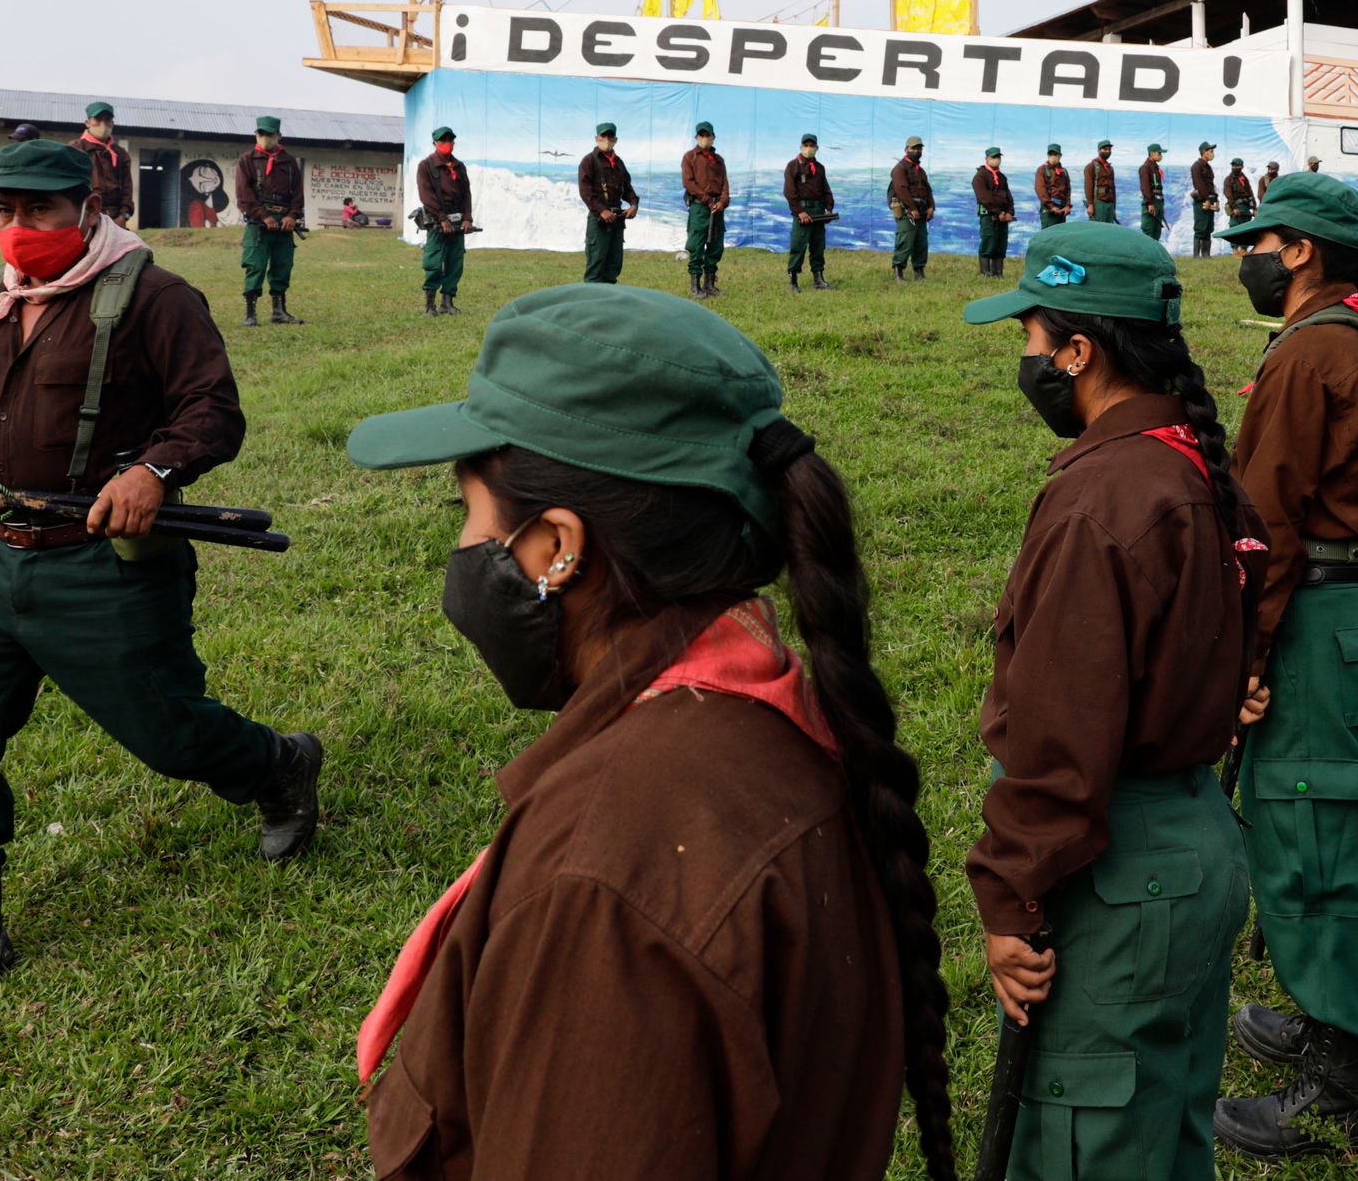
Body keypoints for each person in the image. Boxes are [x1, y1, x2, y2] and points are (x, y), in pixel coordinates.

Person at [345, 286, 955, 1181]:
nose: (464, 549)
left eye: (468, 516)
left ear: (558, 547)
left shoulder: (604, 877)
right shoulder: (761, 704)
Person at [0, 140, 323, 990]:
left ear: (88, 209)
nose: (20, 231)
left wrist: (151, 470)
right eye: (6, 212)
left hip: (99, 566)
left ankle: (278, 765)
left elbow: (212, 412)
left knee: (169, 734)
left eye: (40, 213)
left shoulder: (155, 297)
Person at [960, 225, 1258, 1181]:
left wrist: (1008, 898)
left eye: (1030, 338)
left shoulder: (1104, 499)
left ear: (1078, 352)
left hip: (1121, 866)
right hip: (1194, 837)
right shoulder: (1187, 457)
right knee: (1164, 1128)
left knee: (1087, 1147)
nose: (1027, 359)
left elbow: (1059, 735)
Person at [1211, 174, 1358, 1161]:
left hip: (1312, 629)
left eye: (1255, 241)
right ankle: (1331, 1016)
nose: (1242, 255)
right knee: (1357, 834)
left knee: (1315, 842)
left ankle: (1337, 1086)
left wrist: (1240, 655)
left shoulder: (1308, 354)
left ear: (1297, 252)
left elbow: (1266, 528)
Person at [235, 116, 307, 327]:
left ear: (279, 136)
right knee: (255, 265)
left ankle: (279, 311)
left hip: (284, 222)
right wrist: (263, 216)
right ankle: (250, 313)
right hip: (259, 223)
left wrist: (292, 216)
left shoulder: (290, 162)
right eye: (261, 133)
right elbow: (243, 194)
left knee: (283, 266)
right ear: (256, 134)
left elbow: (298, 194)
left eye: (270, 134)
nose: (265, 138)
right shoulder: (247, 160)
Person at [416, 125, 473, 316]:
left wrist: (467, 218)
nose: (447, 144)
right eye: (443, 141)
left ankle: (447, 303)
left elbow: (466, 194)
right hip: (437, 222)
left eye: (450, 140)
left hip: (457, 222)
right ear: (435, 143)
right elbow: (426, 196)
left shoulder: (459, 166)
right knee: (433, 262)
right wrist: (442, 218)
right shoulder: (426, 166)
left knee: (455, 262)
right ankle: (430, 306)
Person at [577, 122, 638, 285]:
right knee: (595, 268)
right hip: (599, 220)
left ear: (615, 139)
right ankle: (591, 306)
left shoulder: (619, 163)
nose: (607, 139)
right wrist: (602, 211)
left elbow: (627, 188)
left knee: (613, 266)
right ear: (597, 138)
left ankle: (609, 307)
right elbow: (585, 191)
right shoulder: (588, 161)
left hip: (617, 219)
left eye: (610, 136)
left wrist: (633, 204)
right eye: (603, 136)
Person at [681, 120, 729, 300]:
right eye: (701, 135)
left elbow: (725, 183)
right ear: (696, 137)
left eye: (707, 135)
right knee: (696, 244)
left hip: (717, 208)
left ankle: (710, 283)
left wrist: (723, 201)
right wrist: (707, 200)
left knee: (716, 245)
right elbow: (688, 182)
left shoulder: (719, 160)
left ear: (713, 137)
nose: (704, 138)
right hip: (700, 207)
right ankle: (695, 285)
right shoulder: (689, 157)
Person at [784, 133, 836, 293]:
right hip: (803, 211)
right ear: (801, 147)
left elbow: (826, 190)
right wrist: (799, 212)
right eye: (806, 145)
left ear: (817, 148)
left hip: (818, 211)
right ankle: (793, 280)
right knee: (798, 245)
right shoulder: (793, 166)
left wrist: (829, 208)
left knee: (818, 245)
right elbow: (789, 192)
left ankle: (818, 278)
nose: (809, 148)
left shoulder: (819, 168)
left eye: (812, 146)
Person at [70, 101, 133, 225]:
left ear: (112, 123)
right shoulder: (75, 149)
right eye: (97, 119)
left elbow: (127, 191)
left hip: (116, 218)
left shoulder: (121, 154)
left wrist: (123, 217)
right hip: (86, 216)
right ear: (87, 123)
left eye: (107, 120)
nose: (103, 124)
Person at [889, 136, 934, 283]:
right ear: (906, 149)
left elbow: (928, 191)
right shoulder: (899, 169)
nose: (916, 151)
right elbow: (902, 190)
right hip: (907, 212)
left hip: (921, 212)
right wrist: (912, 208)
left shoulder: (920, 171)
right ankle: (898, 273)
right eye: (913, 148)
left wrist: (931, 207)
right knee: (905, 241)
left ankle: (919, 272)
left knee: (921, 243)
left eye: (919, 149)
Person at [973, 147, 1014, 277]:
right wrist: (998, 212)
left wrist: (1009, 212)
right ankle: (985, 272)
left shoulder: (1002, 177)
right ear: (987, 158)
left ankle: (998, 273)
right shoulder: (980, 176)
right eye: (993, 157)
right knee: (988, 242)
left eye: (998, 157)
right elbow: (984, 198)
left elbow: (1008, 196)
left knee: (1000, 243)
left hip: (1003, 216)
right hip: (989, 215)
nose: (996, 160)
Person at [1190, 141, 1220, 257]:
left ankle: (1206, 254)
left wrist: (1215, 199)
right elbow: (1199, 184)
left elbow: (1210, 185)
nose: (1213, 153)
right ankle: (1196, 255)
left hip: (1210, 199)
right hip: (1202, 201)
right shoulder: (1196, 166)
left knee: (1208, 228)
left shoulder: (1208, 167)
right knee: (1200, 228)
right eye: (1211, 151)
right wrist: (1207, 199)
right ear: (1204, 152)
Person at [1138, 143, 1167, 243]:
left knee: (1156, 230)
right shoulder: (1145, 168)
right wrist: (1149, 203)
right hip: (1151, 202)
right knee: (1148, 230)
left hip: (1158, 201)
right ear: (1152, 153)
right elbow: (1145, 187)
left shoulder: (1155, 168)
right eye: (1159, 153)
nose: (1161, 155)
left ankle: (1155, 257)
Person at [1083, 140, 1118, 224]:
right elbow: (1088, 186)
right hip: (1098, 203)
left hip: (1109, 203)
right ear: (1099, 150)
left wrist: (1114, 208)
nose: (1108, 151)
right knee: (1098, 228)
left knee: (1109, 229)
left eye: (1109, 149)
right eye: (1105, 149)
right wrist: (1090, 204)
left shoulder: (1110, 168)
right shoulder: (1091, 167)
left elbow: (1113, 188)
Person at [1224, 156, 1256, 229]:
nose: (1235, 167)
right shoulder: (1228, 180)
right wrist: (1234, 207)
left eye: (1237, 165)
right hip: (1236, 208)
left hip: (1246, 209)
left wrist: (1254, 208)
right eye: (1233, 165)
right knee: (1234, 229)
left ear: (1242, 167)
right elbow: (1229, 195)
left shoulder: (1244, 179)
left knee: (1247, 231)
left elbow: (1250, 194)